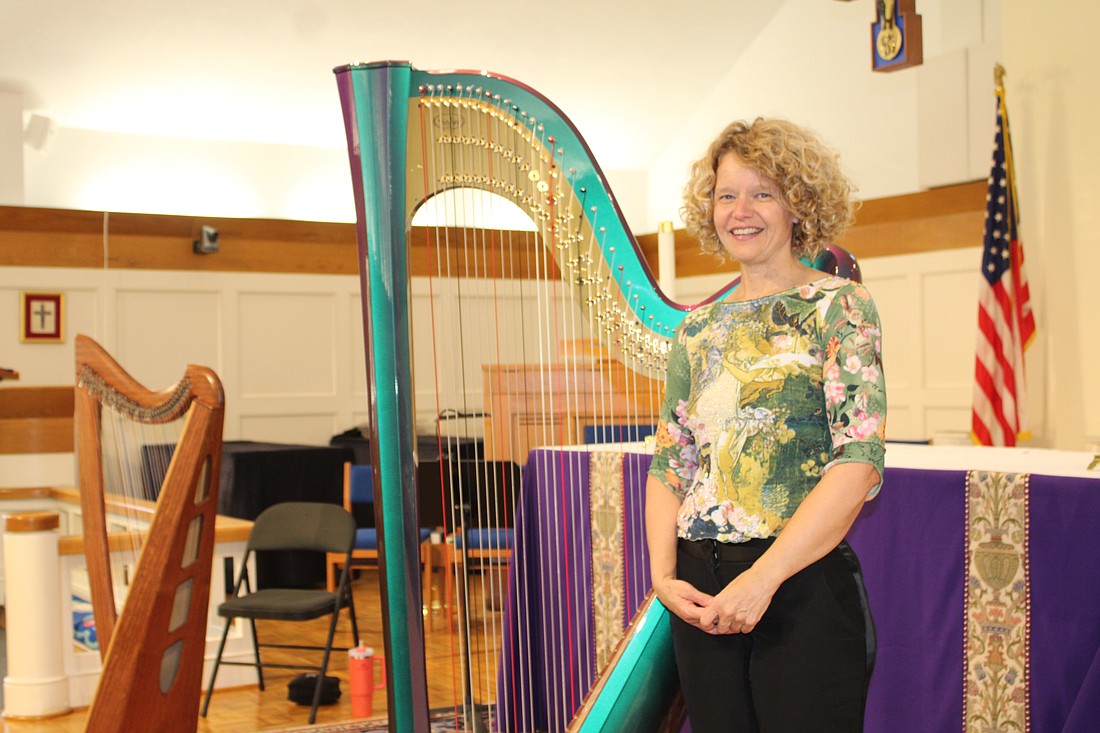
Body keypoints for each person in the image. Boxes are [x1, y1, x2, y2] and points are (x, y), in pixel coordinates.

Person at [646, 117, 887, 732]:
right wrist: (664, 576)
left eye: (763, 193)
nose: (741, 211)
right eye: (727, 194)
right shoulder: (696, 329)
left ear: (798, 204)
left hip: (799, 582)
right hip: (702, 589)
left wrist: (763, 579)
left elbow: (857, 461)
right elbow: (671, 462)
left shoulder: (840, 306)